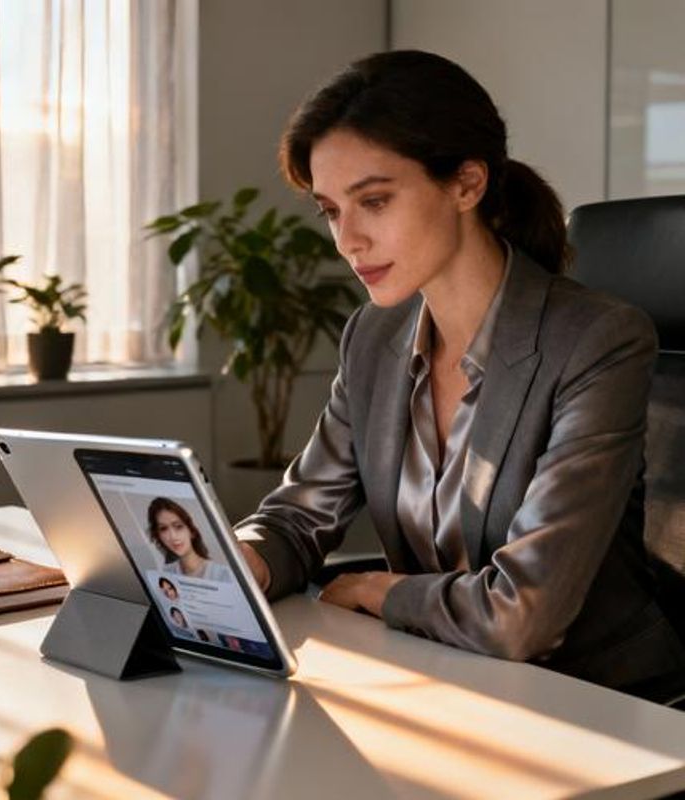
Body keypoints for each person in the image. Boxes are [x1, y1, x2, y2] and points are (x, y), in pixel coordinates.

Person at [236, 50, 685, 700]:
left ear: (466, 185)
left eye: (375, 201)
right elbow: (299, 518)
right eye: (331, 210)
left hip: (597, 707)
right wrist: (232, 562)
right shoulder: (375, 336)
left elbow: (520, 614)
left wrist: (374, 589)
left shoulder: (596, 339)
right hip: (444, 682)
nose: (348, 240)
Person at [148, 497, 231, 582]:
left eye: (178, 526)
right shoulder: (165, 574)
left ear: (191, 531)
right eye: (163, 529)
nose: (173, 536)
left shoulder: (221, 574)